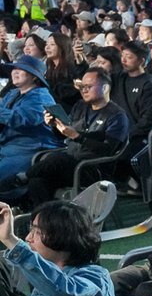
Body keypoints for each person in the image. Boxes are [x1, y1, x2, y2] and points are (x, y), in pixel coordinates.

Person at [29, 65, 131, 204]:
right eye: (82, 86)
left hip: (92, 168)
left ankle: (21, 178)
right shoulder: (80, 106)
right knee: (37, 182)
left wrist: (78, 137)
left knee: (56, 158)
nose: (84, 90)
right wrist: (54, 126)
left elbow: (108, 149)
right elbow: (64, 135)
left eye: (89, 86)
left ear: (105, 88)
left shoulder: (117, 116)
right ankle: (46, 219)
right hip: (70, 165)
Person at [0, 54, 61, 189]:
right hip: (6, 147)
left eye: (21, 69)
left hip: (30, 150)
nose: (15, 71)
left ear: (34, 77)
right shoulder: (12, 93)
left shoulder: (41, 97)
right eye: (14, 68)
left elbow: (22, 119)